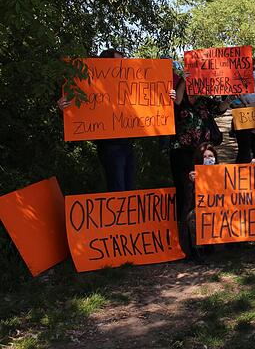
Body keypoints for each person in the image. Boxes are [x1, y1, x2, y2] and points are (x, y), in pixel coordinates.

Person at [57, 49, 176, 192]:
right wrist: (62, 107)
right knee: (118, 189)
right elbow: (79, 113)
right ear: (106, 64)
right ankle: (121, 213)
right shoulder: (90, 84)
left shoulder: (126, 84)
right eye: (118, 61)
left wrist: (168, 95)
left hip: (128, 144)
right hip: (110, 146)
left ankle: (128, 214)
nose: (122, 65)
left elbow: (149, 97)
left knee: (129, 188)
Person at [168, 70, 230, 228]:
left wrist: (230, 99)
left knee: (205, 189)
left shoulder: (203, 101)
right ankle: (184, 228)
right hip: (182, 152)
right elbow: (176, 102)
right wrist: (183, 79)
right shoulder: (178, 98)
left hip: (203, 153)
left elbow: (220, 108)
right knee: (185, 190)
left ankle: (206, 228)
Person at [184, 142, 219, 258]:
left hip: (220, 209)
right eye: (205, 157)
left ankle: (234, 246)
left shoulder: (223, 172)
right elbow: (188, 202)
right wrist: (192, 183)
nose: (208, 159)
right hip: (202, 210)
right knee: (193, 216)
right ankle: (198, 251)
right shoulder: (194, 175)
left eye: (211, 156)